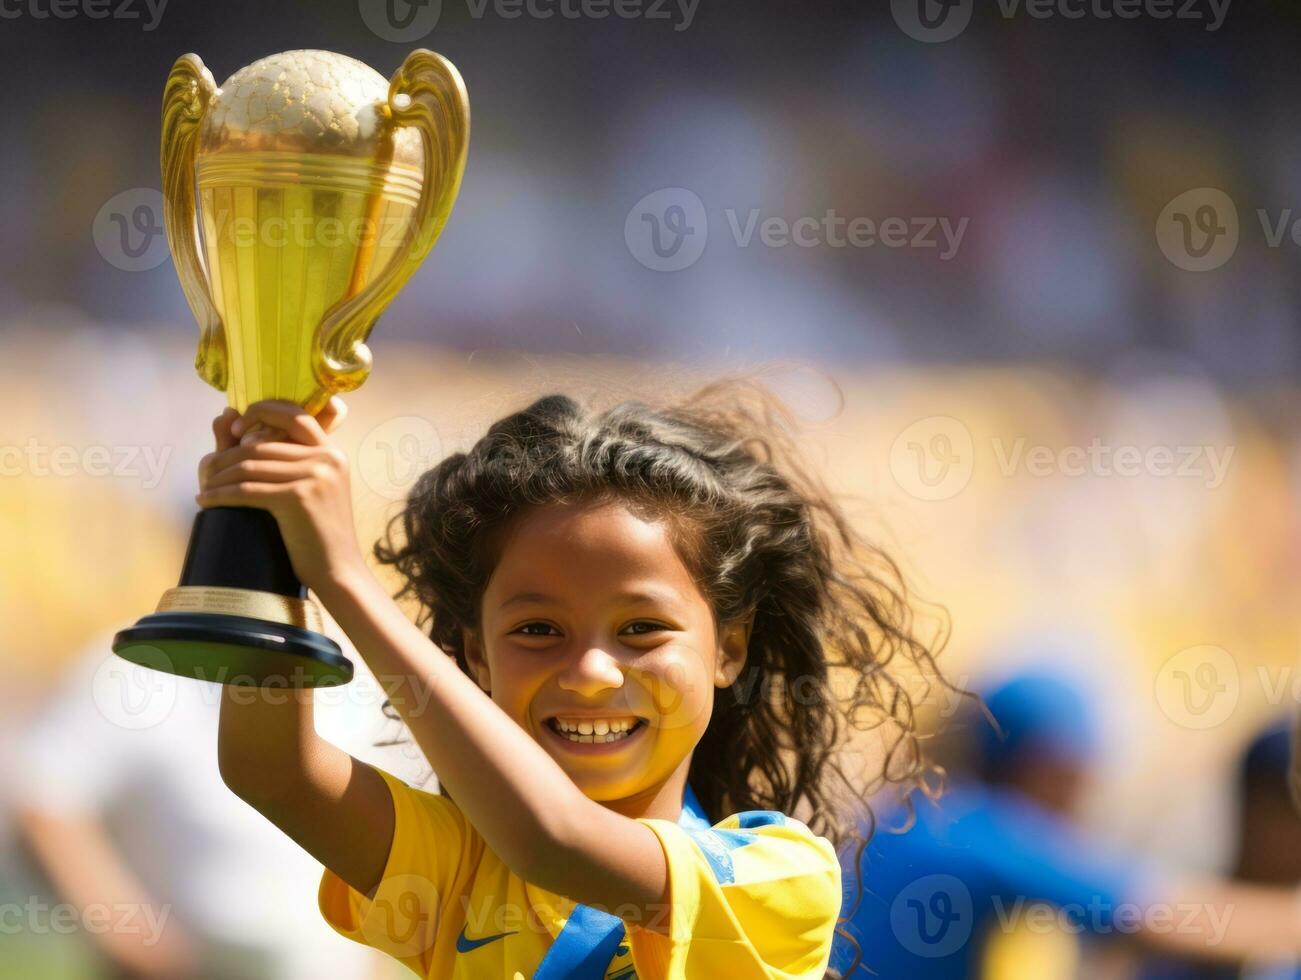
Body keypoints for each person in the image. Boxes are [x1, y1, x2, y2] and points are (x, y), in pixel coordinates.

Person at [196, 381, 939, 979]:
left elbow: (552, 838)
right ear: (475, 658)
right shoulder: (462, 868)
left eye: (641, 630)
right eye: (537, 631)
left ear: (729, 649)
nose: (588, 672)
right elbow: (273, 771)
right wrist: (268, 544)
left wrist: (342, 576)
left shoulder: (778, 877)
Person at [831, 672, 1301, 978]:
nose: (1081, 804)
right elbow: (1164, 914)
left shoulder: (913, 813)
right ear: (1045, 766)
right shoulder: (981, 828)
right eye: (1078, 779)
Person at [10, 629, 400, 980]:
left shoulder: (357, 676)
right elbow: (44, 799)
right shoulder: (139, 665)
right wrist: (136, 943)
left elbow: (394, 831)